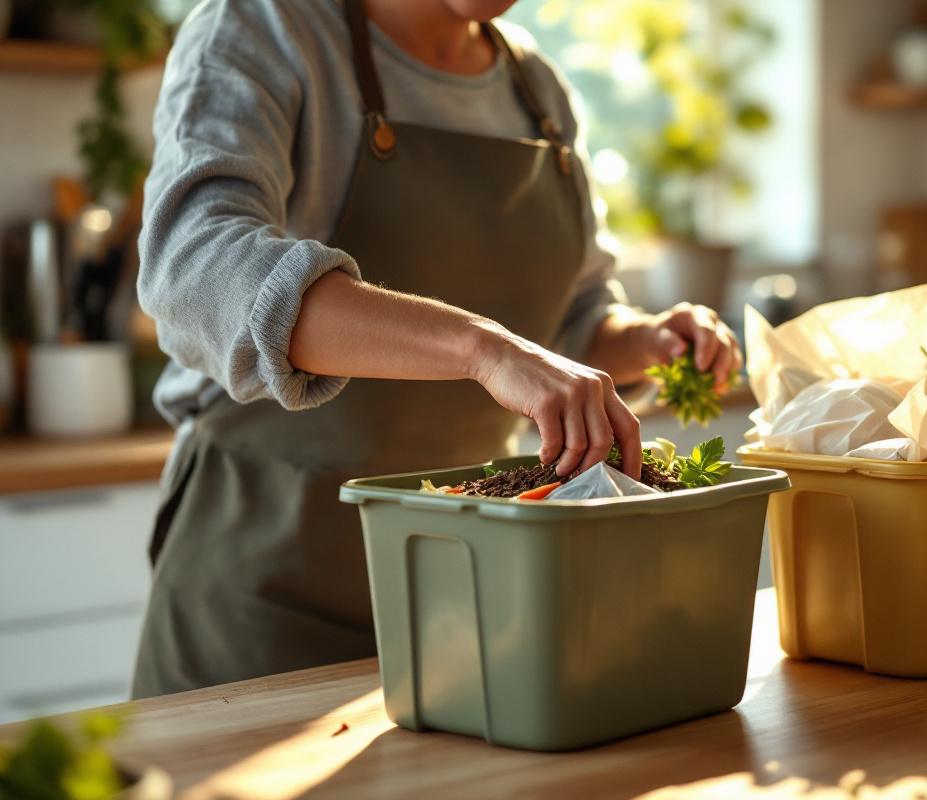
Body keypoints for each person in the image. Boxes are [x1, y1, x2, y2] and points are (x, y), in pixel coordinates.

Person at [131, 0, 741, 697]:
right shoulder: (263, 26)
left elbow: (569, 321)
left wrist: (646, 341)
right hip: (263, 591)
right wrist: (483, 349)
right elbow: (193, 265)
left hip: (465, 592)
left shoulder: (534, 88)